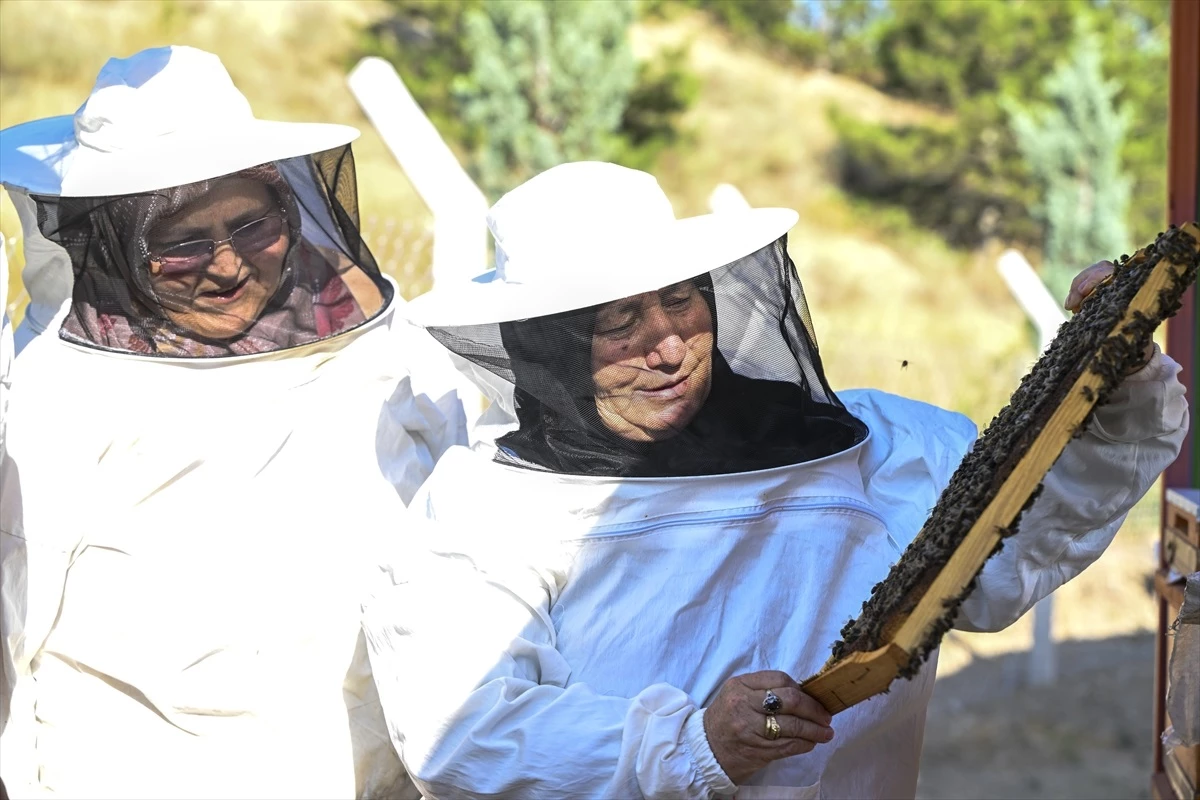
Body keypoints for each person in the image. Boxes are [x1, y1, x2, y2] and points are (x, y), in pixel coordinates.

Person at [362, 162, 1190, 799]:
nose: (667, 345)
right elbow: (461, 731)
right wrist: (688, 746)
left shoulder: (877, 448)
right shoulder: (480, 511)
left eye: (682, 301)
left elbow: (1014, 548)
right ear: (545, 346)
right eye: (617, 322)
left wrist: (1109, 381)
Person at [0, 46, 465, 798]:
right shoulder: (60, 395)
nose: (226, 266)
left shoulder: (381, 343)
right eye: (181, 242)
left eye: (253, 225)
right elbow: (10, 629)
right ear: (117, 240)